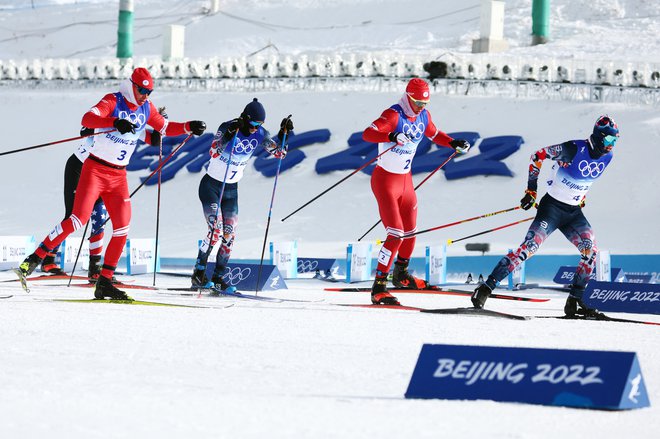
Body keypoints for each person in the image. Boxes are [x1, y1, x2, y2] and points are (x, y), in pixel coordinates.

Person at [17, 67, 207, 300]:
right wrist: (115, 121)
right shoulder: (113, 100)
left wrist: (189, 126)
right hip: (94, 170)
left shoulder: (147, 108)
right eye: (142, 90)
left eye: (149, 91)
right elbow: (87, 118)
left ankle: (104, 281)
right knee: (77, 220)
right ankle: (33, 260)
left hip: (118, 177)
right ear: (132, 85)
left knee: (122, 227)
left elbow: (164, 128)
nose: (145, 95)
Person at [471, 115, 620, 318]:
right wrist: (531, 191)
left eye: (615, 140)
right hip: (552, 209)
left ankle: (575, 301)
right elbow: (538, 155)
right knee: (529, 248)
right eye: (610, 140)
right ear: (599, 136)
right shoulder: (573, 149)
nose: (612, 145)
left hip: (573, 213)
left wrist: (580, 196)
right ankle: (486, 288)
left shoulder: (607, 157)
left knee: (590, 251)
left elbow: (584, 180)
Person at [362, 78, 471, 306]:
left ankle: (401, 275)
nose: (422, 107)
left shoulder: (423, 116)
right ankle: (378, 287)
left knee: (411, 233)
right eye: (418, 102)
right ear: (408, 97)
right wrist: (391, 136)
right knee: (396, 234)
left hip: (406, 182)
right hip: (385, 181)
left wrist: (452, 143)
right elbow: (368, 134)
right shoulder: (393, 115)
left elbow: (434, 133)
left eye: (425, 103)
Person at [191, 98, 292, 291]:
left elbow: (280, 154)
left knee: (229, 235)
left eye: (259, 124)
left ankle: (219, 277)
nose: (255, 128)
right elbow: (213, 152)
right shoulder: (228, 126)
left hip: (231, 190)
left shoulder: (260, 134)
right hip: (211, 186)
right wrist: (227, 136)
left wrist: (284, 133)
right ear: (245, 118)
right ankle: (199, 272)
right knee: (216, 231)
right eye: (253, 123)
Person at [41, 121, 162, 282]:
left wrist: (160, 125)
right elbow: (85, 130)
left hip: (103, 174)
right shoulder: (115, 113)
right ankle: (48, 258)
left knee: (99, 219)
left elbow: (154, 140)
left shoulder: (136, 122)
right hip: (79, 168)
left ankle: (95, 268)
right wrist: (112, 125)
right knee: (73, 217)